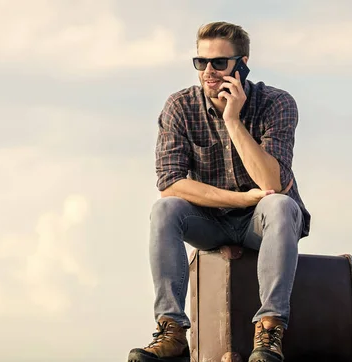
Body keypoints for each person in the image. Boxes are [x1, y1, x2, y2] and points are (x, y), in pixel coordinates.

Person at [128, 21, 311, 362]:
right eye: (201, 62)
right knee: (163, 210)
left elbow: (270, 182)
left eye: (219, 63)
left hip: (262, 222)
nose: (208, 71)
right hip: (210, 222)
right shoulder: (180, 107)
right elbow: (170, 183)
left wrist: (233, 120)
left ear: (242, 65)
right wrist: (241, 198)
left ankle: (269, 330)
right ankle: (172, 331)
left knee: (281, 205)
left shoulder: (277, 104)